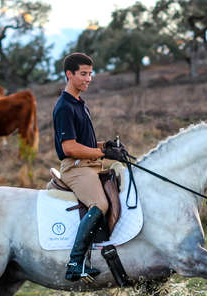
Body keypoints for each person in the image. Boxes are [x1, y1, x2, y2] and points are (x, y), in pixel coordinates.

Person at [53, 52, 126, 282]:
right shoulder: (64, 106)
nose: (88, 79)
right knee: (101, 204)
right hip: (75, 168)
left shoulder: (80, 104)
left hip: (89, 164)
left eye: (90, 74)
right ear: (69, 74)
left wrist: (107, 146)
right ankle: (75, 263)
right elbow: (69, 147)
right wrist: (102, 153)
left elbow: (86, 143)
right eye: (83, 74)